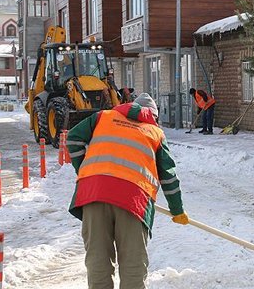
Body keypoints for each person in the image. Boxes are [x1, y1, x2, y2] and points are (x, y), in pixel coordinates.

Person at [66, 93, 189, 289]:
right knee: (133, 265)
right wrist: (177, 209)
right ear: (153, 116)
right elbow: (168, 176)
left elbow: (72, 139)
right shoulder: (155, 133)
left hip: (93, 193)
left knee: (98, 260)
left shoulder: (103, 117)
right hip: (133, 201)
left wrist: (85, 172)